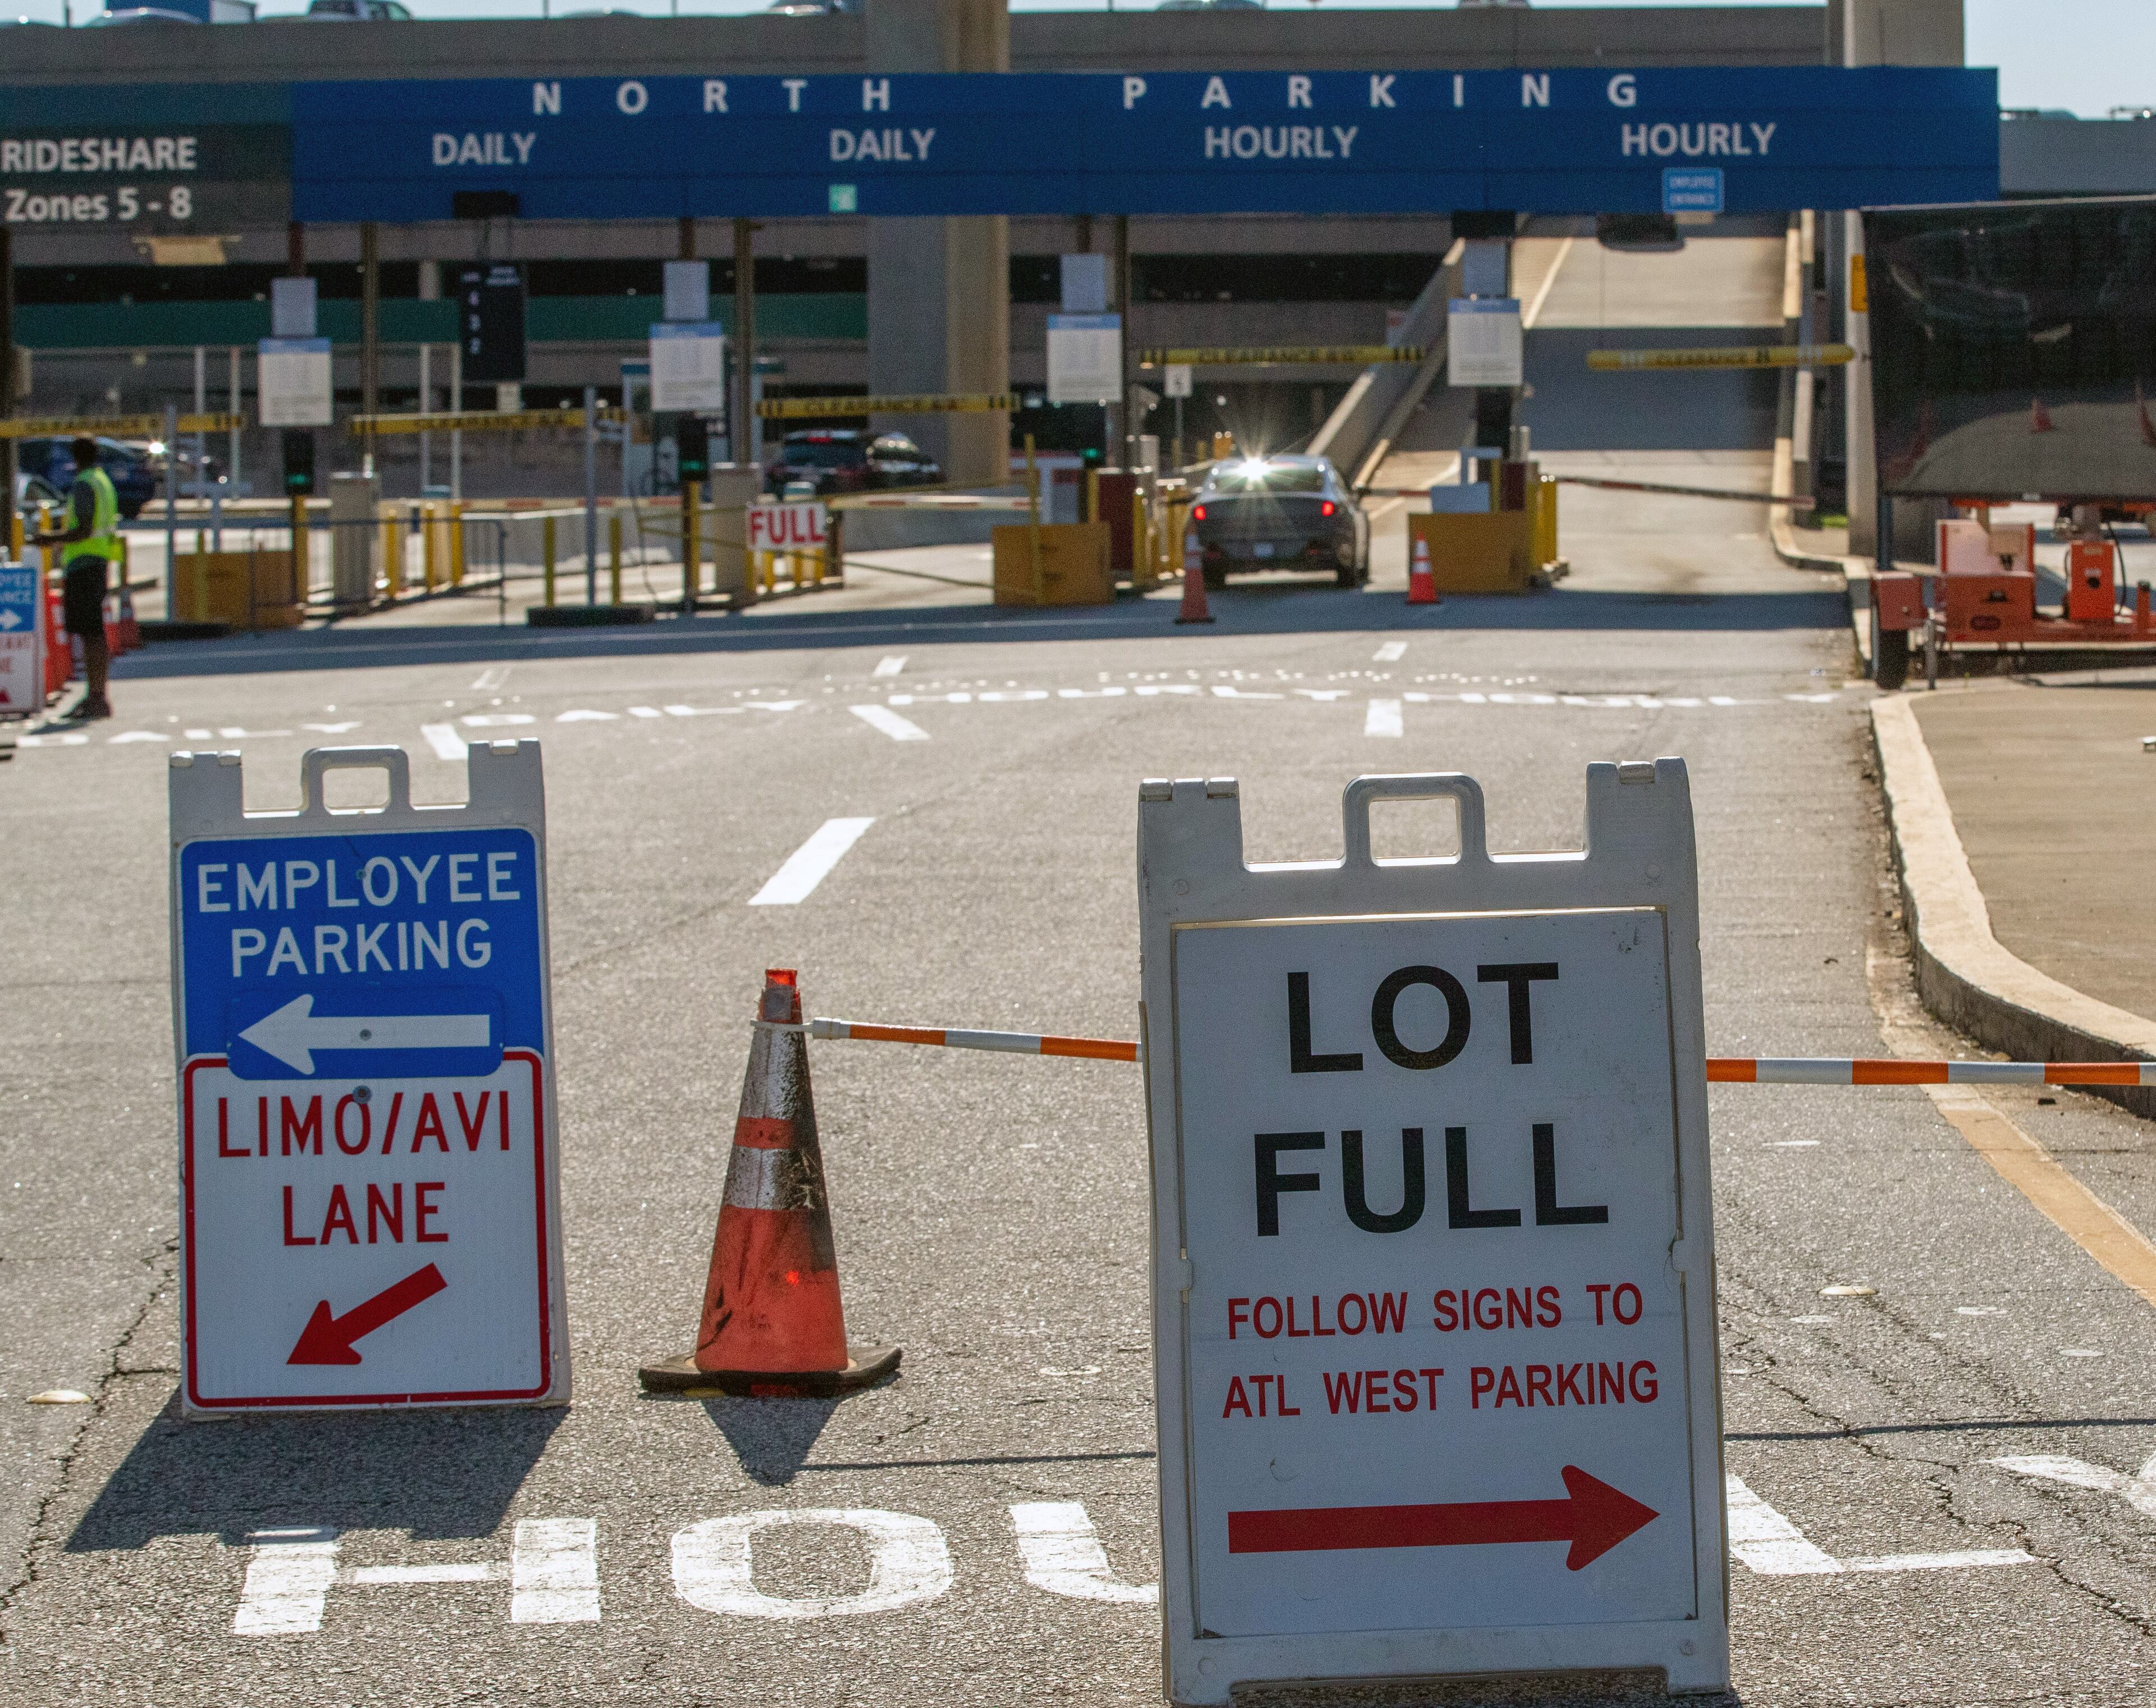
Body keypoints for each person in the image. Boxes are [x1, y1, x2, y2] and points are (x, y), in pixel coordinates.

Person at [35, 436, 121, 720]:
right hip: (98, 561)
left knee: (90, 633)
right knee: (94, 632)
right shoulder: (103, 481)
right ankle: (98, 695)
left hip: (84, 563)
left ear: (77, 457)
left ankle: (96, 697)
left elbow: (83, 529)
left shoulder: (85, 483)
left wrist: (51, 539)